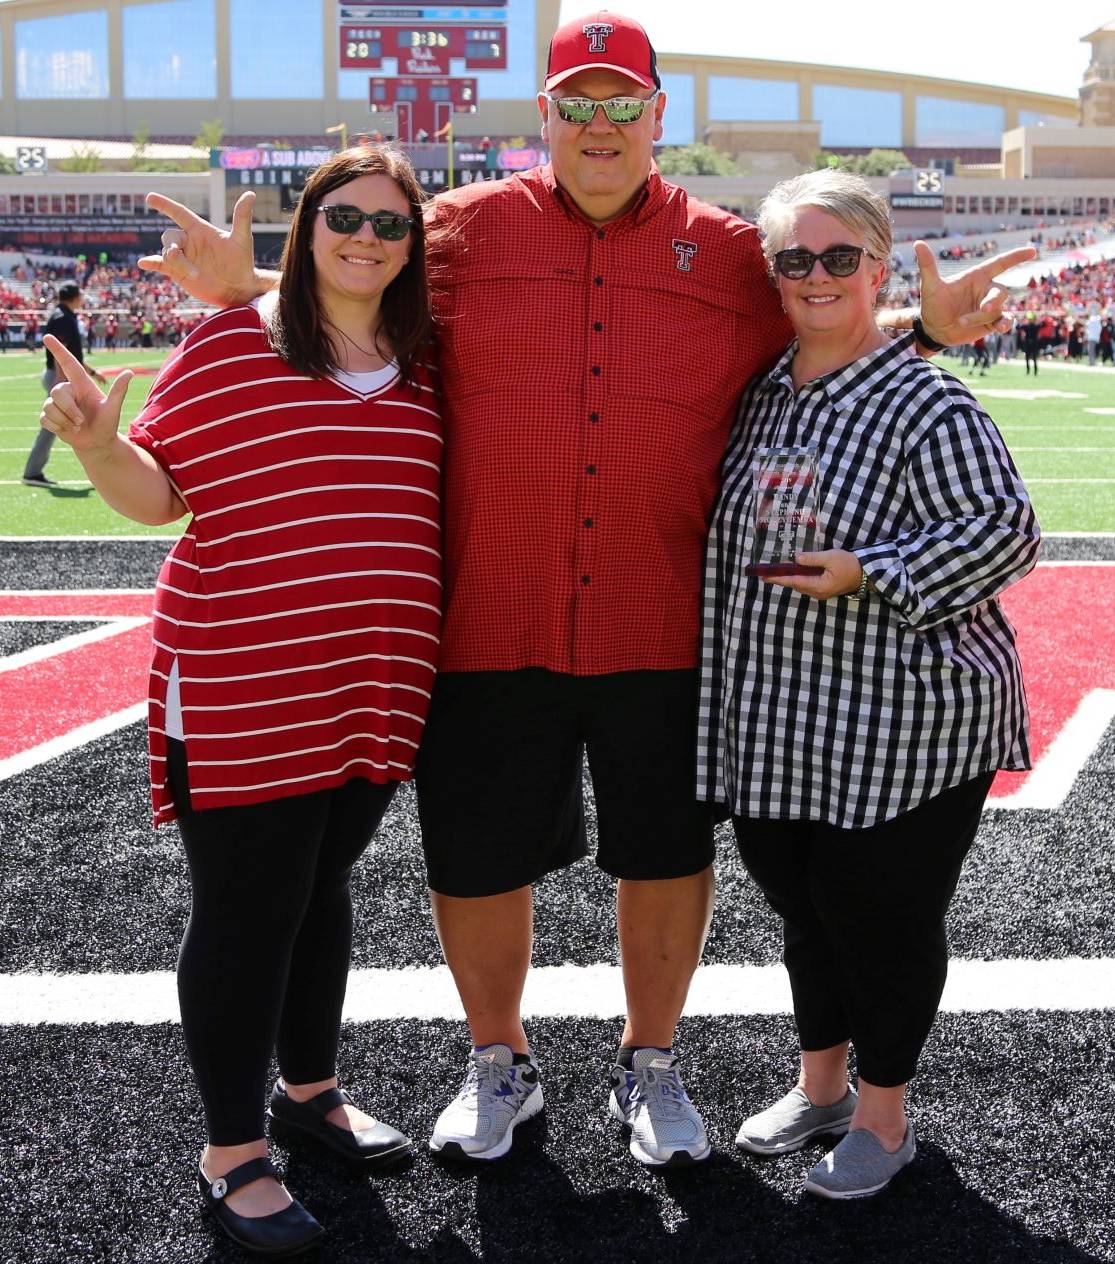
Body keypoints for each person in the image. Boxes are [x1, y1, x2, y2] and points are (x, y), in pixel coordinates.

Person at [139, 11, 1034, 1170]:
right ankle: (495, 1058)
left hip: (659, 610)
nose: (601, 126)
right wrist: (250, 281)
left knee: (663, 851)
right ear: (545, 117)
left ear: (659, 116)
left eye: (624, 105)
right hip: (490, 606)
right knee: (475, 855)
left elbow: (827, 319)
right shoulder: (456, 229)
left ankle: (648, 1061)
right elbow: (355, 270)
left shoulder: (726, 249)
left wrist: (922, 328)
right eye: (578, 104)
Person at [39, 146, 439, 1257]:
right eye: (344, 215)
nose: (366, 236)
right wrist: (101, 444)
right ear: (308, 228)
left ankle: (307, 1092)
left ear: (413, 249)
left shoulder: (427, 360)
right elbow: (157, 496)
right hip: (239, 688)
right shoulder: (229, 344)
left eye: (391, 224)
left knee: (321, 889)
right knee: (249, 911)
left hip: (373, 686)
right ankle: (230, 1153)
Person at [699, 169, 1039, 1199]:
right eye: (791, 258)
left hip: (904, 720)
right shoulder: (762, 390)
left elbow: (1003, 530)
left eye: (836, 256)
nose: (813, 275)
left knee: (878, 920)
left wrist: (870, 571)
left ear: (876, 266)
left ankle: (883, 1118)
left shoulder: (921, 394)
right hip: (779, 715)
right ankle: (822, 1086)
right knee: (802, 910)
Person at [22, 282, 106, 488]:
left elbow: (72, 357)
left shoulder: (64, 316)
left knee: (58, 424)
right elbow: (61, 356)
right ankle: (32, 472)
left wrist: (92, 372)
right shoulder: (63, 318)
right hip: (59, 377)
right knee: (60, 423)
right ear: (75, 297)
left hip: (61, 377)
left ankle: (33, 471)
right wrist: (61, 384)